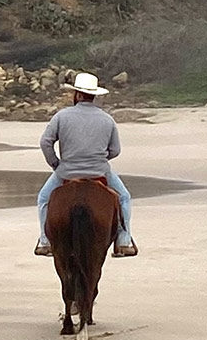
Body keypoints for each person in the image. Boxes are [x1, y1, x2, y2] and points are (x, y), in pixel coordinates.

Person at [34, 72, 138, 258]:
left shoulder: (61, 116)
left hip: (66, 172)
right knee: (123, 198)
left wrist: (56, 164)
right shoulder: (107, 119)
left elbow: (45, 142)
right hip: (100, 172)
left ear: (78, 95)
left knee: (43, 199)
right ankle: (124, 241)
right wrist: (98, 159)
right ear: (94, 96)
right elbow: (115, 150)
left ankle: (45, 241)